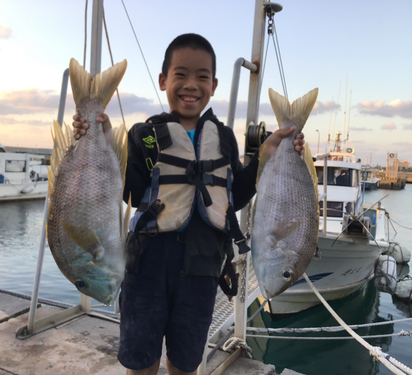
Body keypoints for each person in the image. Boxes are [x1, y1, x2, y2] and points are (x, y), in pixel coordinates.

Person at [73, 33, 305, 375]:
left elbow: (235, 195)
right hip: (146, 266)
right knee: (140, 361)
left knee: (186, 362)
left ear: (213, 85)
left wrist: (268, 155)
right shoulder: (143, 134)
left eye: (201, 77)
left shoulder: (223, 138)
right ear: (164, 80)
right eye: (180, 74)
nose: (190, 85)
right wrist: (103, 142)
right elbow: (132, 193)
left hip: (202, 270)